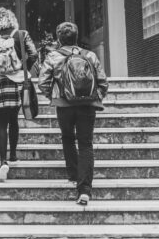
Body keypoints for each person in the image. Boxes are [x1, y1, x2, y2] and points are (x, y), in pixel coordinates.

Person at [38, 22, 109, 206]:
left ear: (59, 38)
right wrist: (95, 97)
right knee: (86, 144)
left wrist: (55, 97)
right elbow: (103, 82)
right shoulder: (90, 55)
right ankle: (84, 189)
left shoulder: (53, 56)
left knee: (67, 137)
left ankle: (73, 174)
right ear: (76, 37)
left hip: (64, 105)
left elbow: (43, 82)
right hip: (87, 105)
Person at [0, 7, 38, 182]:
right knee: (13, 119)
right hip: (17, 80)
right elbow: (34, 54)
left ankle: (2, 161)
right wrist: (24, 69)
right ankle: (13, 155)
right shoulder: (21, 35)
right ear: (11, 20)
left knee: (1, 122)